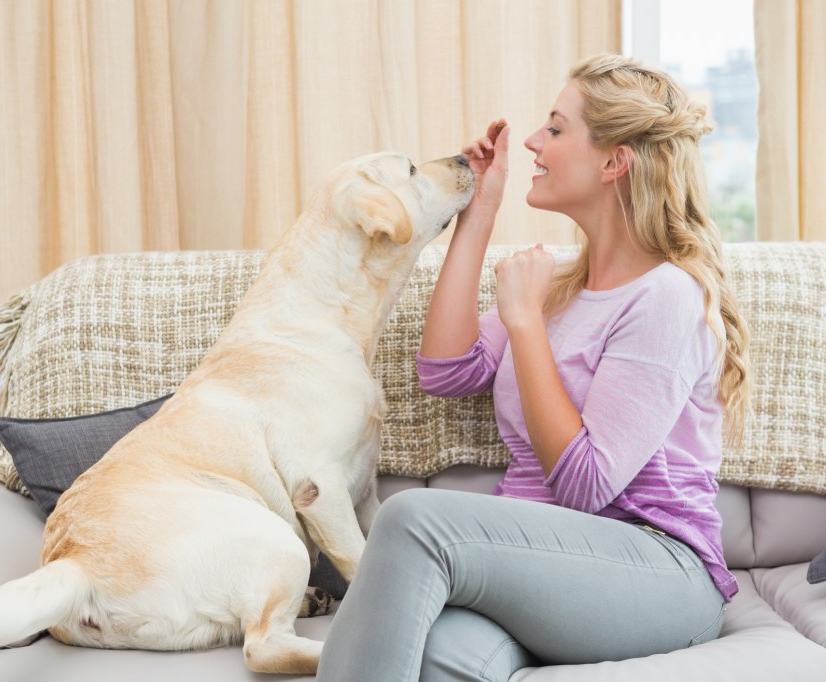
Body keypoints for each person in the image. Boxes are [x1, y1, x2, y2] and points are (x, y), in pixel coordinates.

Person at [317, 53, 750, 681]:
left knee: (410, 518)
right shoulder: (561, 286)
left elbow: (586, 484)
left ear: (613, 162)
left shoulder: (667, 296)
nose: (531, 141)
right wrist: (479, 213)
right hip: (547, 564)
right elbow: (445, 370)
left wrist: (524, 324)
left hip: (657, 569)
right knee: (436, 655)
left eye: (555, 128)